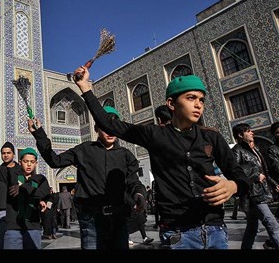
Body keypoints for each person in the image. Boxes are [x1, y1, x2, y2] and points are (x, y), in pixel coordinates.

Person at [73, 66, 250, 249]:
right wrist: (85, 87)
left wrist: (233, 185)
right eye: (191, 98)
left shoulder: (212, 138)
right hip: (179, 234)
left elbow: (240, 176)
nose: (198, 105)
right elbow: (108, 123)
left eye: (201, 100)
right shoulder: (155, 135)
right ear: (171, 104)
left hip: (216, 231)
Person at [28, 106, 147, 250]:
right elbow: (55, 161)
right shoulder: (84, 150)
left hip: (118, 219)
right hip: (91, 219)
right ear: (96, 128)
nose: (110, 131)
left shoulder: (126, 155)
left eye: (113, 127)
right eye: (105, 127)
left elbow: (133, 182)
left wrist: (139, 194)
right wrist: (39, 134)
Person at [231, 123, 279, 249]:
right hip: (252, 194)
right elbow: (235, 171)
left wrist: (273, 184)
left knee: (252, 227)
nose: (252, 133)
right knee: (272, 223)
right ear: (241, 135)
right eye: (249, 131)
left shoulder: (254, 149)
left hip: (257, 191)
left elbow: (264, 171)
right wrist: (255, 176)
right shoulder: (236, 150)